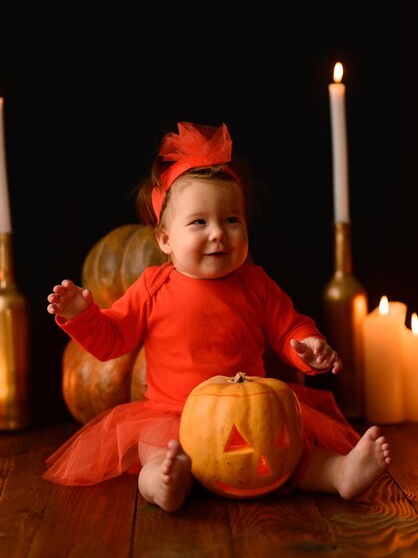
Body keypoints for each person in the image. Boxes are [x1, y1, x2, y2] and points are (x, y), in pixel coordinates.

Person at [45, 121, 391, 513]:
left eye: (231, 220)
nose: (218, 234)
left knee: (292, 452)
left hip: (248, 408)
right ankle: (164, 485)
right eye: (199, 222)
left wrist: (307, 348)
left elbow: (289, 327)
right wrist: (82, 314)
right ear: (165, 240)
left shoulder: (255, 283)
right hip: (170, 414)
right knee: (155, 455)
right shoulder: (152, 286)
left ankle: (340, 474)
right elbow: (112, 339)